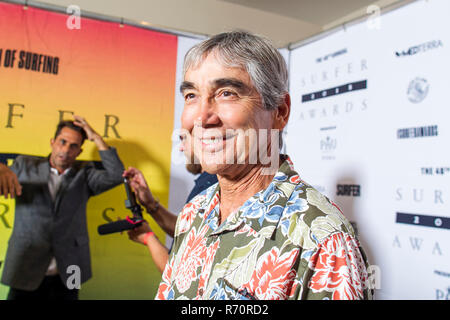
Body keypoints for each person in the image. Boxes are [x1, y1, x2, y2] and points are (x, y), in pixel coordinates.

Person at [154, 31, 373, 300]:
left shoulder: (324, 241)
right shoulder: (192, 214)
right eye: (191, 95)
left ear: (280, 111)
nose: (201, 116)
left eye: (226, 93)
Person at [0, 116, 125, 300]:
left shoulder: (85, 174)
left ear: (80, 151)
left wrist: (97, 138)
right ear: (53, 142)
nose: (65, 150)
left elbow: (116, 175)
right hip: (26, 266)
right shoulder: (23, 165)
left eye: (73, 146)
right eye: (62, 142)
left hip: (69, 271)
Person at [125, 134, 217, 273]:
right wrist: (150, 204)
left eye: (184, 138)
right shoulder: (208, 182)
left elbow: (179, 276)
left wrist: (148, 238)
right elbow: (187, 231)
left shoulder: (211, 186)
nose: (180, 148)